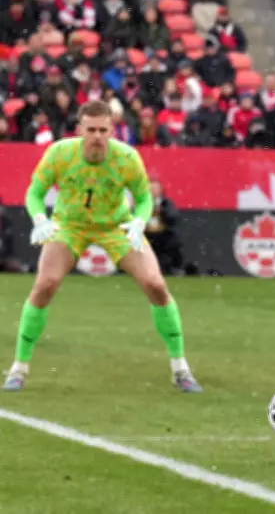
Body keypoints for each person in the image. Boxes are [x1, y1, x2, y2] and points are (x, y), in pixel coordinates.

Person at [2, 100, 203, 393]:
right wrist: (39, 219)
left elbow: (144, 198)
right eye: (91, 129)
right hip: (70, 225)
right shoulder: (59, 153)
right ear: (80, 129)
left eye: (103, 130)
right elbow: (34, 192)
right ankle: (19, 368)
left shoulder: (127, 157)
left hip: (115, 226)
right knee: (45, 284)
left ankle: (180, 369)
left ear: (112, 130)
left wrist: (138, 222)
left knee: (156, 285)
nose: (97, 136)